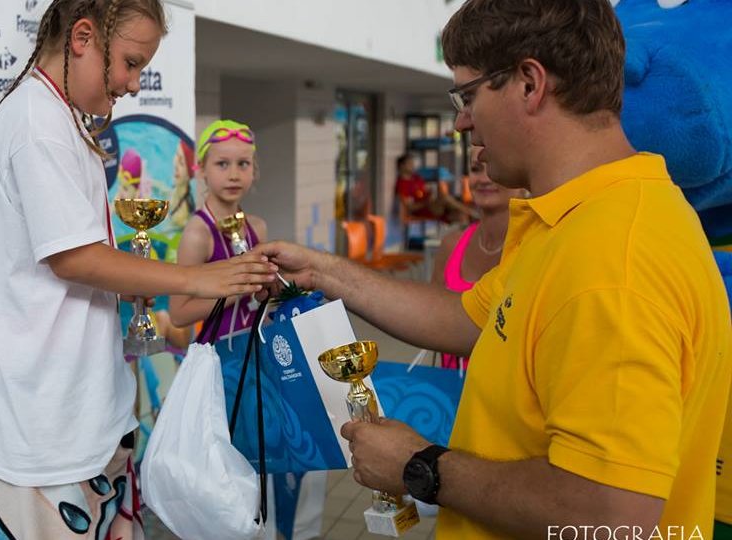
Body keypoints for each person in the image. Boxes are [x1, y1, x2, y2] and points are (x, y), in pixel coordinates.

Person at [254, 0, 731, 537]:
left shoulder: (613, 260)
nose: (460, 121)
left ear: (530, 83)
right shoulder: (576, 221)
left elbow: (611, 515)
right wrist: (324, 272)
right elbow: (468, 318)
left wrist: (421, 466)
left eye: (468, 94)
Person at [0, 2, 275, 538]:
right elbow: (74, 258)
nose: (134, 83)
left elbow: (71, 268)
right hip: (40, 435)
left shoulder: (61, 118)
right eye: (130, 62)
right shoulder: (38, 120)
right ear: (81, 38)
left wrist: (136, 289)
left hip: (78, 422)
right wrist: (199, 278)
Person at [168, 119, 267, 336]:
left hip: (256, 346)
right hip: (217, 356)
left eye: (243, 164)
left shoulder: (257, 228)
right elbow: (178, 314)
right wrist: (239, 289)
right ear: (201, 170)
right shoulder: (198, 235)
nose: (233, 175)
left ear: (254, 169)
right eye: (222, 164)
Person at [430, 152, 526, 371]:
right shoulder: (451, 246)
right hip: (451, 392)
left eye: (494, 166)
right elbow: (432, 324)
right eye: (475, 169)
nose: (483, 178)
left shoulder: (534, 247)